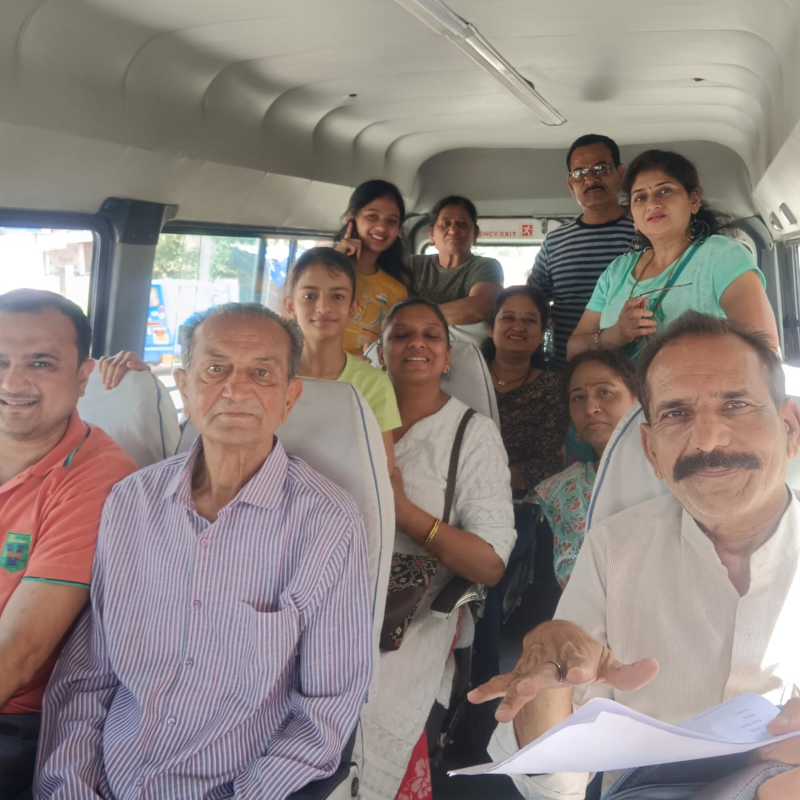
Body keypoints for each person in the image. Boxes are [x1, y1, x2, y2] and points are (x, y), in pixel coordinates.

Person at [36, 304, 372, 799]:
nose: (236, 390)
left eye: (262, 373)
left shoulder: (327, 522)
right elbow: (88, 677)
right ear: (185, 387)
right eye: (215, 369)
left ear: (289, 396)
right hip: (106, 779)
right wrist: (72, 787)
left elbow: (326, 708)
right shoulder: (131, 502)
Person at [470, 311, 800, 799]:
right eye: (676, 414)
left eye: (735, 404)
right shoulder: (614, 549)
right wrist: (549, 687)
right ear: (651, 451)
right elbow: (558, 785)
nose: (707, 440)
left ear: (790, 427)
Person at [356, 298, 516, 800]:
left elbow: (490, 563)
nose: (417, 344)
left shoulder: (473, 434)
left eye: (431, 335)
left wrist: (406, 515)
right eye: (401, 334)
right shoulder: (353, 418)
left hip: (416, 600)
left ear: (448, 356)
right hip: (337, 581)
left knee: (370, 692)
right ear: (380, 354)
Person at [0, 289, 136, 799]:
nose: (13, 382)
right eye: (1, 361)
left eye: (40, 363)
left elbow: (20, 651)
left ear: (83, 377)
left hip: (14, 718)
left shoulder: (99, 478)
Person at [568, 149, 779, 360]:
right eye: (640, 197)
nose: (652, 204)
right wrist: (611, 337)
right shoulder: (616, 272)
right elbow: (573, 349)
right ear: (633, 217)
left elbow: (762, 347)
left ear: (694, 200)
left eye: (665, 191)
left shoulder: (723, 256)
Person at [283, 246, 401, 468]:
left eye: (337, 296)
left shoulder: (374, 384)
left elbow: (382, 468)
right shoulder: (271, 375)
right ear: (290, 306)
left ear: (353, 308)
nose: (323, 307)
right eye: (309, 296)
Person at [528, 134, 635, 368]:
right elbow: (532, 303)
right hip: (568, 370)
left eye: (601, 169)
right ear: (571, 184)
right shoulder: (555, 241)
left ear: (620, 172)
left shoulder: (646, 231)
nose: (591, 180)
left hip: (634, 370)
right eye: (579, 173)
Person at [535, 350, 637, 589]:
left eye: (605, 392)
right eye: (578, 397)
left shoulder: (674, 476)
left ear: (639, 400)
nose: (590, 408)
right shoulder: (566, 490)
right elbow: (575, 582)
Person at [482, 286, 567, 495]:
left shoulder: (552, 387)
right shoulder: (464, 376)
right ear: (490, 328)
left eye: (529, 320)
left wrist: (494, 480)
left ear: (542, 333)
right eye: (508, 318)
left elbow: (549, 461)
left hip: (516, 499)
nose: (518, 326)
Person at [334, 179, 410, 355]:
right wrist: (333, 258)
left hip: (364, 371)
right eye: (372, 217)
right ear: (350, 218)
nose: (382, 227)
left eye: (391, 221)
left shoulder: (397, 291)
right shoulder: (319, 270)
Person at [407, 196, 504, 325]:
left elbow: (480, 308)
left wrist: (413, 316)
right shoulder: (414, 264)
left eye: (462, 224)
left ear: (475, 234)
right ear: (432, 235)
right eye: (445, 224)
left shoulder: (486, 266)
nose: (453, 230)